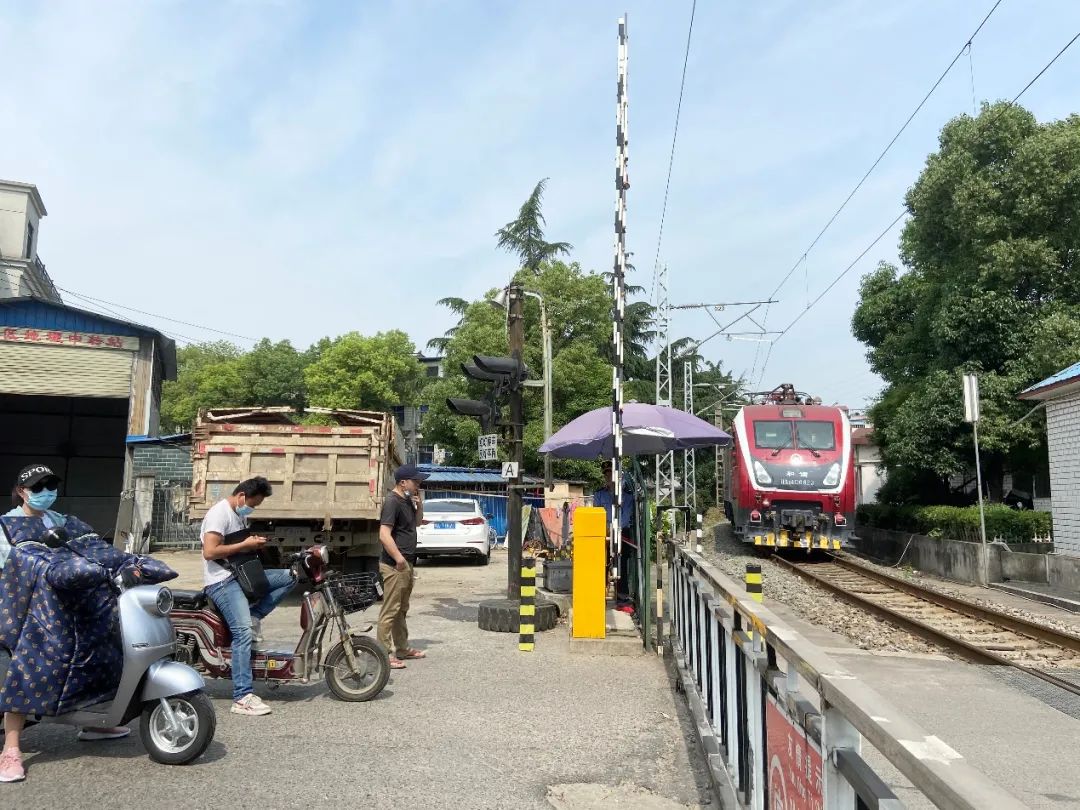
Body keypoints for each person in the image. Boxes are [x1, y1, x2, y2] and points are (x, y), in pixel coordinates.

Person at [1, 464, 174, 783]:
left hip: (67, 602)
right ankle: (11, 750)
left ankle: (94, 721)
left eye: (51, 486)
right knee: (30, 663)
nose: (46, 493)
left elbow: (93, 551)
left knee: (105, 644)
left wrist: (127, 563)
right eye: (38, 488)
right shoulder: (7, 527)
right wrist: (64, 570)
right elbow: (23, 567)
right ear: (22, 491)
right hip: (24, 608)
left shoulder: (60, 522)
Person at [200, 476, 296, 717]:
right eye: (253, 503)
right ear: (241, 496)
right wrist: (245, 545)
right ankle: (242, 697)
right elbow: (210, 551)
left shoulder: (240, 514)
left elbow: (238, 546)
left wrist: (255, 545)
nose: (252, 508)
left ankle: (253, 614)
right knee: (242, 631)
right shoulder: (218, 514)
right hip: (221, 581)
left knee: (291, 576)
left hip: (242, 574)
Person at [378, 464, 430, 670]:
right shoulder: (392, 502)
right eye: (415, 481)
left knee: (402, 609)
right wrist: (399, 559)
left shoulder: (407, 500)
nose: (418, 484)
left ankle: (402, 648)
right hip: (395, 565)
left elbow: (417, 524)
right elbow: (384, 534)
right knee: (390, 610)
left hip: (407, 562)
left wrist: (420, 505)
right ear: (402, 482)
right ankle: (383, 653)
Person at [591, 461, 637, 601]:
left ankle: (622, 596)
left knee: (621, 565)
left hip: (622, 533)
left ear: (618, 476)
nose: (608, 477)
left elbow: (626, 517)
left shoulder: (627, 497)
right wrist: (607, 530)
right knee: (601, 563)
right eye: (606, 474)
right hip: (604, 533)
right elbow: (597, 513)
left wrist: (615, 531)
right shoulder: (599, 494)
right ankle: (600, 594)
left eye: (611, 473)